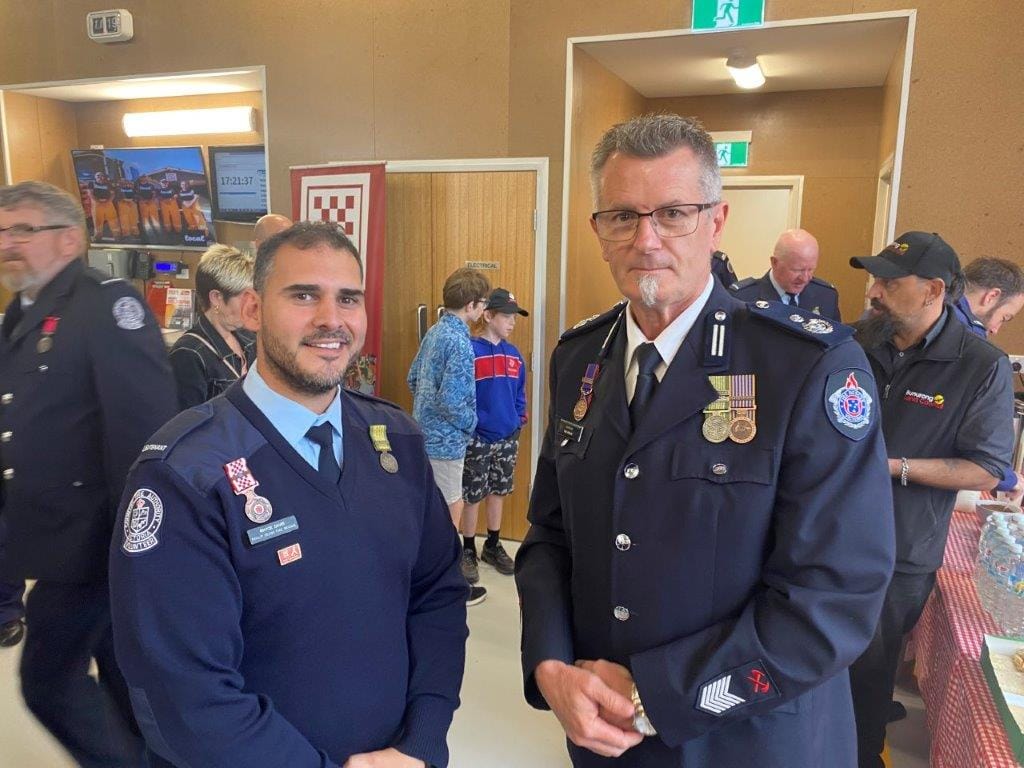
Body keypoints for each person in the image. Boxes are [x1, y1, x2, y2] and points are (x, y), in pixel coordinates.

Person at [515, 113, 895, 767]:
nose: (647, 240)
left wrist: (657, 696)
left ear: (716, 221)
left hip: (749, 738)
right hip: (608, 738)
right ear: (598, 233)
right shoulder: (581, 358)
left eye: (673, 214)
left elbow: (835, 594)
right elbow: (550, 536)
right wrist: (549, 663)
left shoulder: (803, 366)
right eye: (622, 217)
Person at [109, 222, 468, 768]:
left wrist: (421, 743)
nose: (331, 319)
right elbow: (184, 692)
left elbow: (437, 594)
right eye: (304, 295)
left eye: (348, 298)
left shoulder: (398, 442)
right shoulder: (186, 473)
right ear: (252, 310)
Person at [0, 180, 178, 766]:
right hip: (52, 538)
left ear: (70, 238)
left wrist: (137, 546)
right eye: (2, 231)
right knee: (127, 681)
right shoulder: (24, 310)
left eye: (22, 230)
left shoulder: (107, 306)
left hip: (96, 544)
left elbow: (143, 435)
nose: (8, 243)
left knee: (47, 682)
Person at [847, 232, 1015, 768]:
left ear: (933, 290)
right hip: (824, 535)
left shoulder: (980, 364)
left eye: (890, 282)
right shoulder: (853, 343)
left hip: (900, 553)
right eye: (875, 278)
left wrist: (892, 467)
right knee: (810, 660)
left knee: (869, 676)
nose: (874, 291)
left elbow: (987, 466)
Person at [459, 287, 527, 584]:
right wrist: (474, 427)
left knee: (498, 490)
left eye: (515, 317)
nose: (512, 322)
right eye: (506, 316)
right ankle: (468, 548)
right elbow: (463, 395)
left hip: (507, 436)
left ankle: (493, 544)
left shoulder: (514, 356)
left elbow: (519, 394)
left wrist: (518, 420)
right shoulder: (470, 351)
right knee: (472, 495)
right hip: (478, 438)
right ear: (488, 316)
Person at [168, 244, 256, 410]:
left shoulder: (249, 339)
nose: (252, 306)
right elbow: (186, 425)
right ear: (216, 298)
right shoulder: (189, 354)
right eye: (244, 298)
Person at [730, 228, 841, 320]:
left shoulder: (826, 296)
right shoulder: (742, 299)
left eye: (811, 269)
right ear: (774, 262)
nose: (805, 278)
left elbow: (839, 345)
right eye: (797, 270)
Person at [953, 256, 1024, 337]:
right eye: (1004, 318)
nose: (995, 330)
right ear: (991, 296)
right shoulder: (969, 335)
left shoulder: (939, 294)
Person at [88, 170, 121, 239]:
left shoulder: (108, 184)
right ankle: (98, 236)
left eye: (102, 176)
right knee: (98, 220)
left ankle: (117, 235)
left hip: (108, 203)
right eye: (98, 176)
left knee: (113, 219)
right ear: (95, 177)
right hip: (97, 204)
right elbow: (90, 194)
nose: (100, 177)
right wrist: (98, 202)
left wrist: (108, 201)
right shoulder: (91, 183)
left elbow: (112, 194)